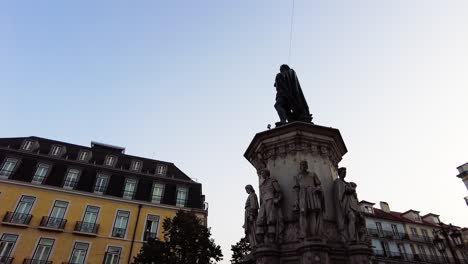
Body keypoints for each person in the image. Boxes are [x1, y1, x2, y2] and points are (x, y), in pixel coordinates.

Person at [293, 161, 325, 239]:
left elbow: (319, 184)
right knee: (302, 212)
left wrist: (317, 188)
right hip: (302, 194)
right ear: (300, 167)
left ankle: (314, 234)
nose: (303, 166)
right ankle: (303, 233)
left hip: (312, 193)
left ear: (307, 166)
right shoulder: (297, 176)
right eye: (302, 165)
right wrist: (296, 200)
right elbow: (296, 188)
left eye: (305, 165)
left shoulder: (312, 174)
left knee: (313, 213)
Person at [256, 169, 283, 244]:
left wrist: (277, 199)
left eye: (262, 173)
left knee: (270, 219)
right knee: (260, 220)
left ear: (266, 173)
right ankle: (262, 240)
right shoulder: (262, 184)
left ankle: (272, 239)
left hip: (270, 200)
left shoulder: (272, 181)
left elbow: (279, 191)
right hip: (263, 203)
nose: (261, 175)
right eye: (261, 173)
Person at [333, 167, 360, 243]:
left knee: (353, 219)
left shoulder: (347, 183)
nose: (345, 173)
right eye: (343, 172)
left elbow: (353, 194)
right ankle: (351, 237)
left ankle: (353, 236)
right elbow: (341, 193)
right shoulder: (338, 182)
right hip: (344, 205)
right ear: (339, 173)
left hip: (351, 204)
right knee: (352, 217)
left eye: (345, 172)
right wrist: (351, 189)